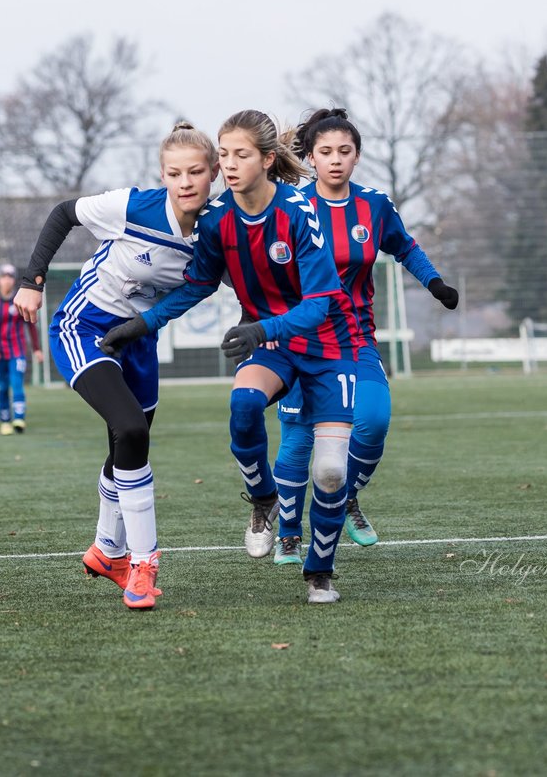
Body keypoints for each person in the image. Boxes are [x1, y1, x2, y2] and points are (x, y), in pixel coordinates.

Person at [101, 110, 364, 604]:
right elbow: (197, 285)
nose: (229, 164)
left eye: (241, 154)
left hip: (329, 344)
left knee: (329, 472)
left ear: (266, 160)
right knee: (243, 405)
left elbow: (319, 305)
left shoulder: (298, 213)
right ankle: (264, 499)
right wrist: (143, 324)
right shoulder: (219, 220)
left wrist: (261, 326)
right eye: (223, 155)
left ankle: (319, 574)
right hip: (272, 346)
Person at [11, 122, 219, 610]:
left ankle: (107, 550)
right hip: (84, 328)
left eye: (195, 171)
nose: (185, 181)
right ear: (162, 176)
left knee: (125, 444)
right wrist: (32, 281)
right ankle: (143, 563)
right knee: (130, 429)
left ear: (214, 173)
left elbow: (215, 280)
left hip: (139, 341)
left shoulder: (218, 228)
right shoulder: (135, 206)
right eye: (174, 173)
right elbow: (64, 214)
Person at [268, 108, 458, 566]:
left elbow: (405, 246)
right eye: (326, 151)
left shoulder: (373, 205)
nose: (335, 159)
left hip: (355, 339)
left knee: (373, 422)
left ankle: (345, 496)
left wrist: (434, 282)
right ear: (310, 158)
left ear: (357, 157)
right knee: (298, 438)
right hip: (300, 341)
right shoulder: (291, 206)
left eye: (345, 151)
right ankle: (289, 532)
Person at [0, 265, 43, 434]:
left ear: (14, 279)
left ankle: (19, 419)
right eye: (3, 276)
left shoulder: (20, 299)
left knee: (17, 383)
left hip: (17, 351)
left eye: (10, 276)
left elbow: (31, 325)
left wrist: (36, 349)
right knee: (2, 386)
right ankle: (5, 421)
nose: (7, 280)